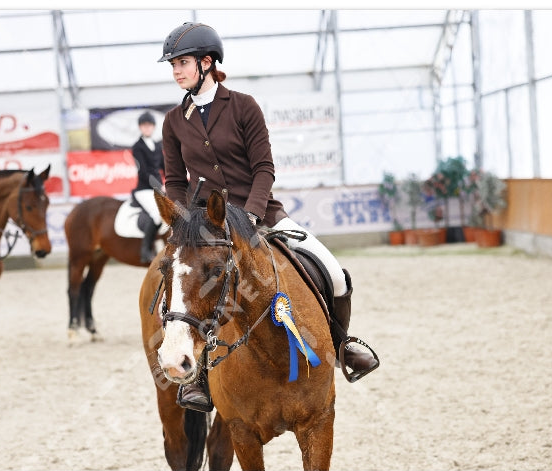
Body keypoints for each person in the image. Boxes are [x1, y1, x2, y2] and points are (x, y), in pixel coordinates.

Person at [158, 22, 379, 413]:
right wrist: (182, 221)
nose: (176, 71)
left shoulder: (243, 106)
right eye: (173, 65)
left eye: (183, 63)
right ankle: (200, 379)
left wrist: (251, 213)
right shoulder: (174, 121)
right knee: (186, 290)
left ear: (207, 63)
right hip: (206, 225)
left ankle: (341, 345)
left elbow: (264, 168)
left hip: (259, 213)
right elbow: (175, 181)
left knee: (335, 274)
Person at [131, 111, 165, 263]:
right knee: (157, 214)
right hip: (144, 189)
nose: (147, 128)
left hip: (158, 188)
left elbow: (165, 167)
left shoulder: (157, 145)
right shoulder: (137, 147)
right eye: (144, 125)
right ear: (140, 127)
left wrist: (172, 182)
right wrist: (159, 186)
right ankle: (145, 250)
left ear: (153, 127)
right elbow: (143, 172)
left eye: (149, 125)